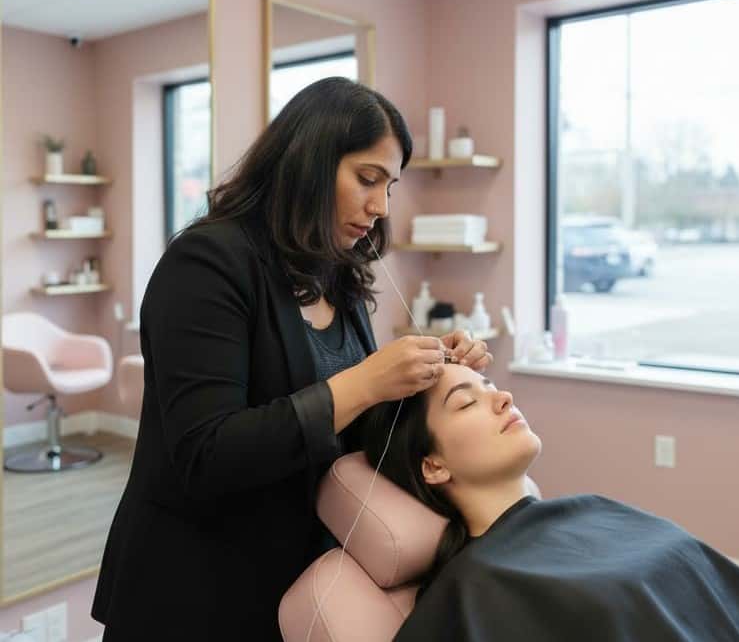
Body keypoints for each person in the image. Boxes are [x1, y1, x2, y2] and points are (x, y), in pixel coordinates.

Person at [91, 77, 493, 641]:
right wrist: (367, 381)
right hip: (193, 591)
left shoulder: (336, 276)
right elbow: (208, 453)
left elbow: (349, 429)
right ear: (310, 162)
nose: (380, 207)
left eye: (390, 187)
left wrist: (427, 377)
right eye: (367, 179)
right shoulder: (206, 263)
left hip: (296, 586)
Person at [363, 363, 739, 642]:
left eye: (490, 386)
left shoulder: (591, 507)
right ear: (433, 466)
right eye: (467, 402)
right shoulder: (476, 586)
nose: (504, 397)